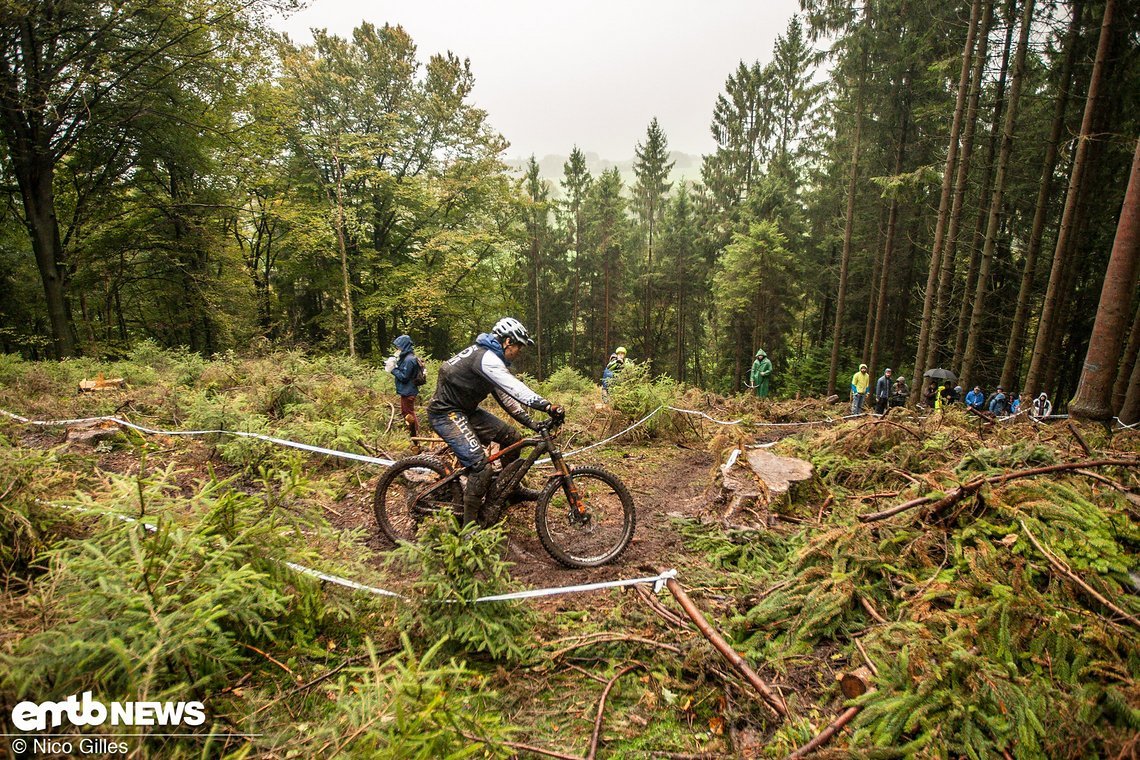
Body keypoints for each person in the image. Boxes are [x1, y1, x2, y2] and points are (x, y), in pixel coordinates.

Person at [427, 318, 563, 527]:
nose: (520, 351)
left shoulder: (491, 359)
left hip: (466, 410)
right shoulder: (486, 358)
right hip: (446, 413)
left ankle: (509, 489)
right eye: (519, 346)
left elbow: (506, 397)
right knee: (481, 468)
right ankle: (470, 526)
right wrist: (547, 406)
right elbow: (515, 388)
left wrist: (532, 423)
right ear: (508, 341)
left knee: (512, 438)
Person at [387, 334, 423, 440]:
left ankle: (415, 436)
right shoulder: (407, 358)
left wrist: (393, 369)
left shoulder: (409, 359)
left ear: (404, 346)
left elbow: (404, 377)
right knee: (406, 412)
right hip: (406, 391)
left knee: (409, 413)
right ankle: (412, 433)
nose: (398, 349)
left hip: (408, 392)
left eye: (399, 347)